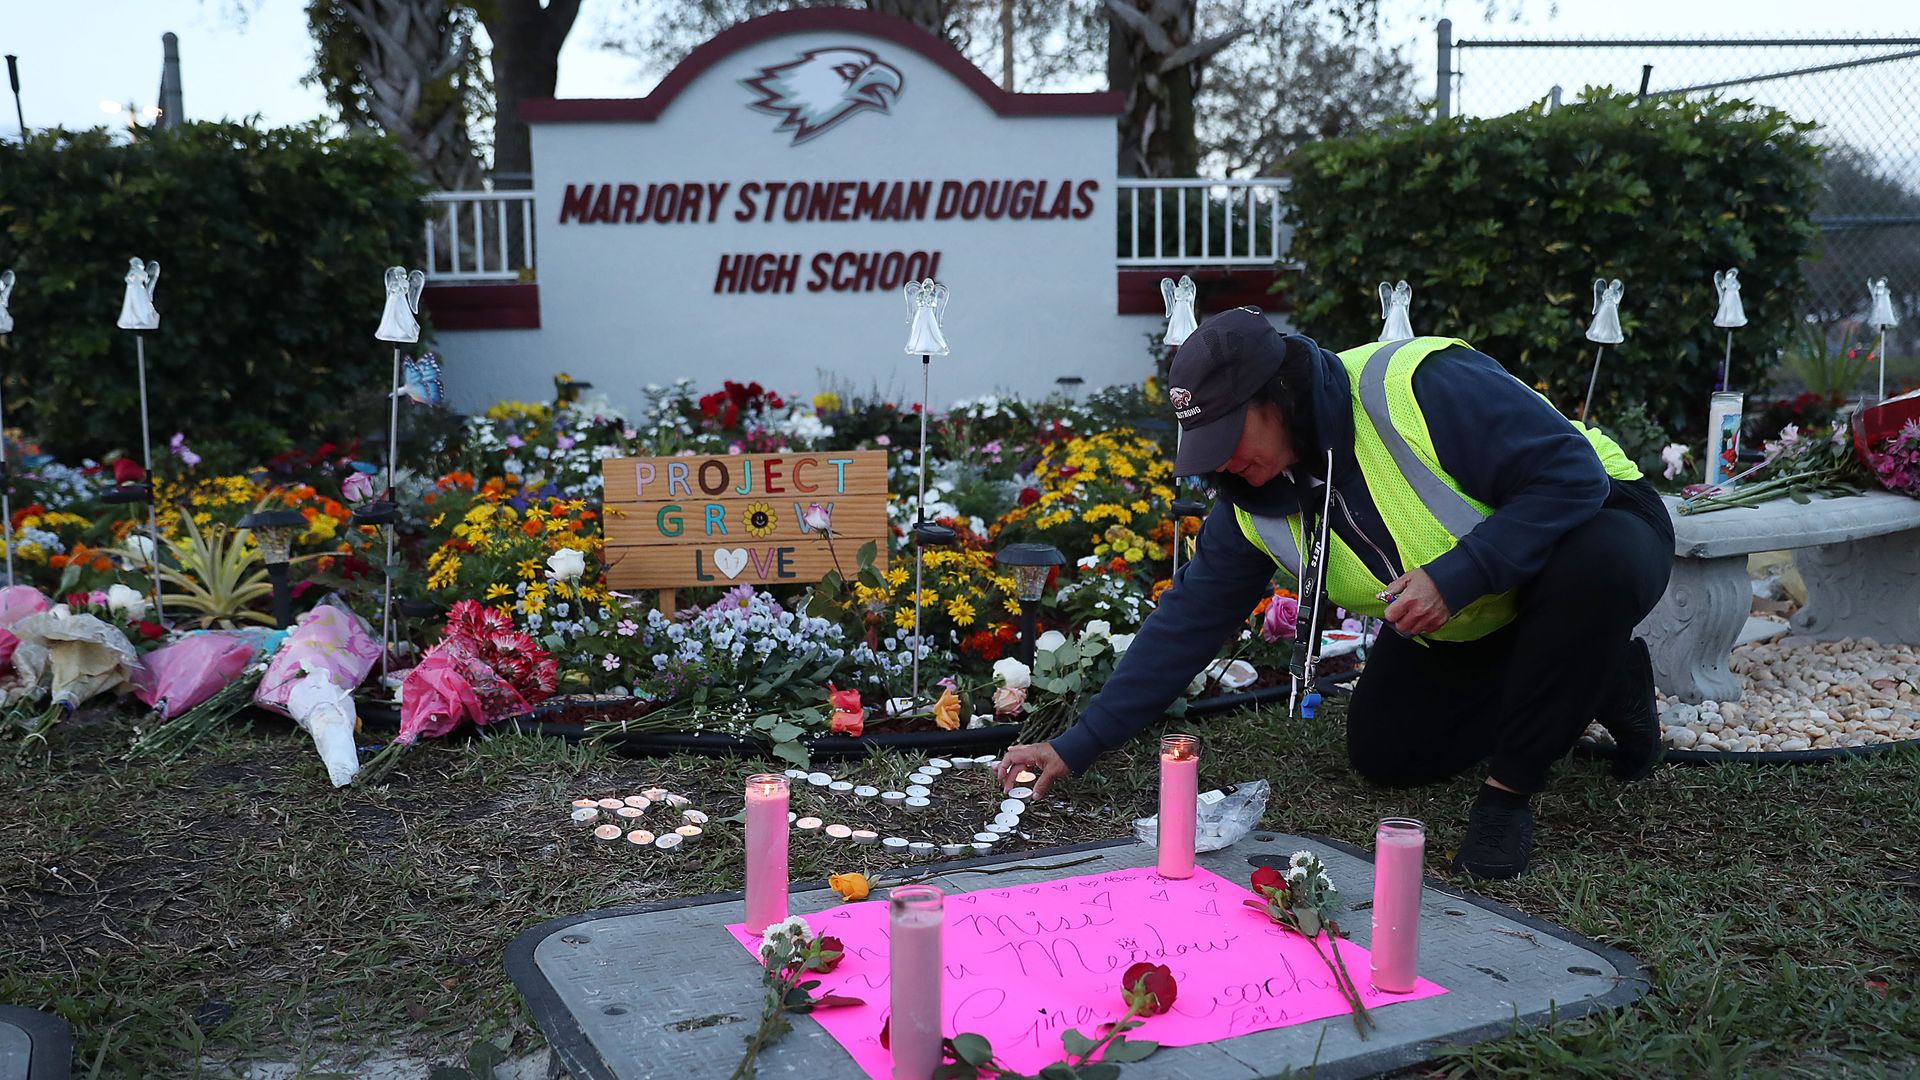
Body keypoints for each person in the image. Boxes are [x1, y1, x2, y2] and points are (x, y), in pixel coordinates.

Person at [996, 308, 1674, 878]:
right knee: (1387, 752)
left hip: (1596, 524)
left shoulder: (1417, 388)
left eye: (1229, 435)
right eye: (1205, 445)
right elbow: (1188, 621)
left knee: (1596, 571)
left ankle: (1508, 795)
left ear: (1278, 398)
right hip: (1480, 614)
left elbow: (1572, 478)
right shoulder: (1250, 499)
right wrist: (1075, 745)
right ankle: (1602, 674)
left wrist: (1455, 577)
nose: (1222, 460)